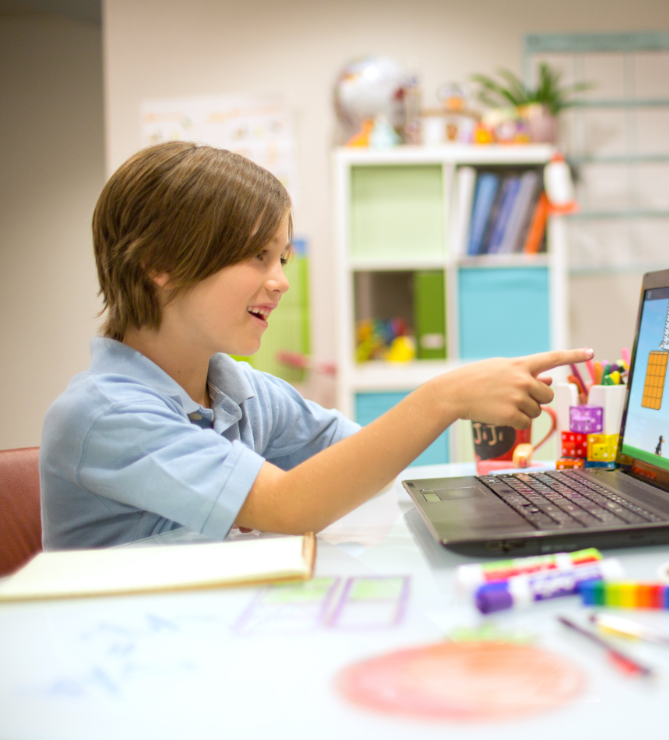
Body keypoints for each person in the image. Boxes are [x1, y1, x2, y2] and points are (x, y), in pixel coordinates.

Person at [40, 141, 592, 550]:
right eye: (257, 256)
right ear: (159, 263)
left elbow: (358, 459)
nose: (279, 279)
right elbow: (288, 506)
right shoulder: (104, 413)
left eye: (281, 258)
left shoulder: (240, 390)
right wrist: (443, 397)